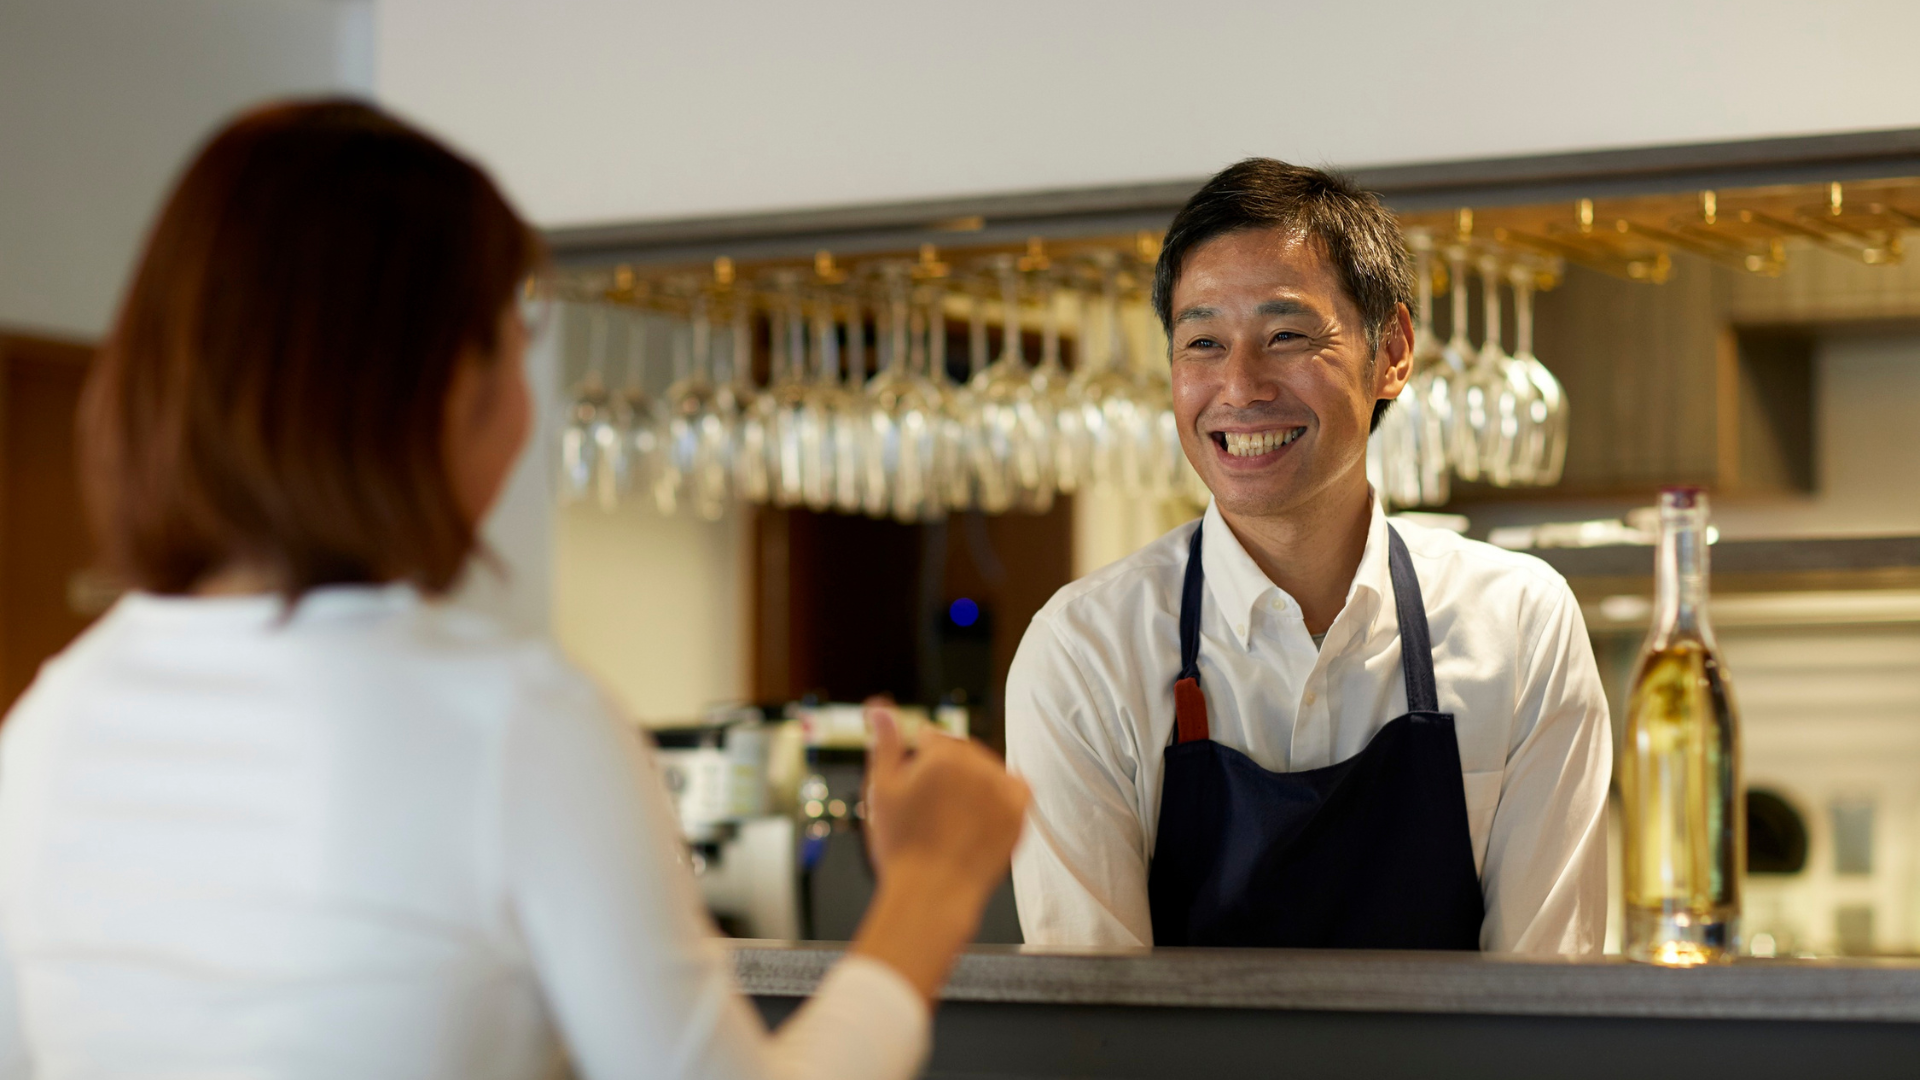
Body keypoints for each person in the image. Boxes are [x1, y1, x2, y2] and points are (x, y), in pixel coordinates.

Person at [0, 100, 1029, 1079]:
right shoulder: (517, 722)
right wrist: (934, 883)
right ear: (447, 382)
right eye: (511, 339)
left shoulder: (52, 724)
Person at [1006, 159, 1611, 953]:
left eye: (1286, 335)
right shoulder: (1084, 651)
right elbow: (1094, 1025)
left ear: (1391, 351)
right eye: (1202, 342)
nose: (1239, 385)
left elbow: (1545, 997)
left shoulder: (1521, 624)